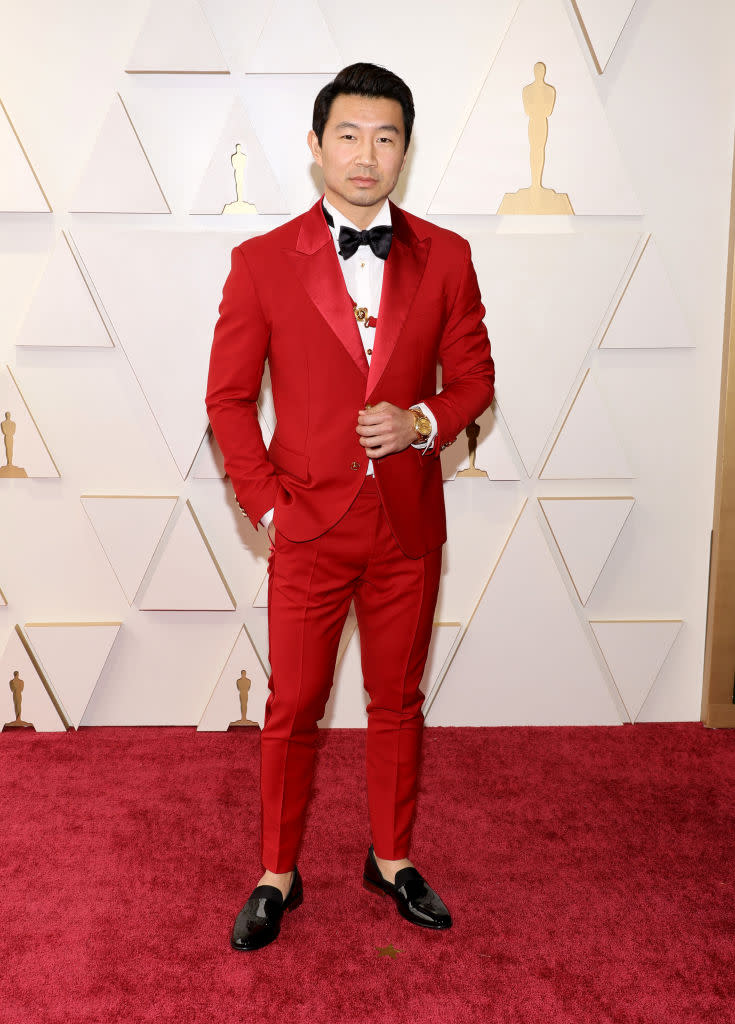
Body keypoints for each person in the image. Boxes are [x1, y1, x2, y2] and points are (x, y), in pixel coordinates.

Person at [205, 62, 495, 952]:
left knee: (397, 699)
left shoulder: (446, 256)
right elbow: (226, 400)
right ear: (315, 147)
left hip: (407, 526)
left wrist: (418, 420)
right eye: (348, 135)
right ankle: (275, 872)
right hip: (307, 527)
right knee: (293, 705)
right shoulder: (260, 263)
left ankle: (392, 856)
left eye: (386, 137)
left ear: (404, 150)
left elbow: (476, 383)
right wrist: (268, 510)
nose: (366, 155)